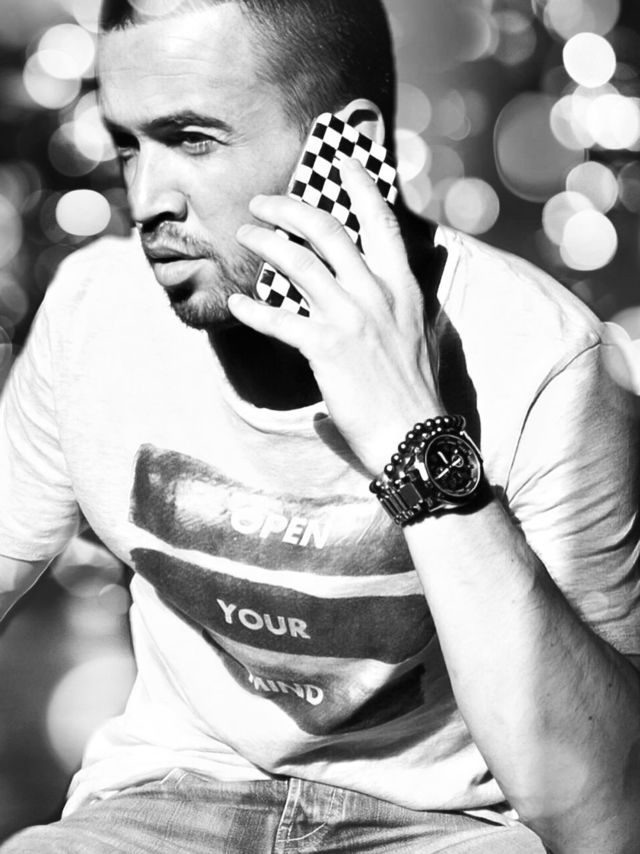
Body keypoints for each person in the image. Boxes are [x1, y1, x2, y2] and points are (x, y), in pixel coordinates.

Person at [0, 0, 639, 851]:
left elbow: (605, 817)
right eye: (128, 145)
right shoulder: (97, 308)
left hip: (450, 826)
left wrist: (413, 432)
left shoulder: (541, 356)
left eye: (192, 140)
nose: (146, 200)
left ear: (347, 148)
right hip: (170, 798)